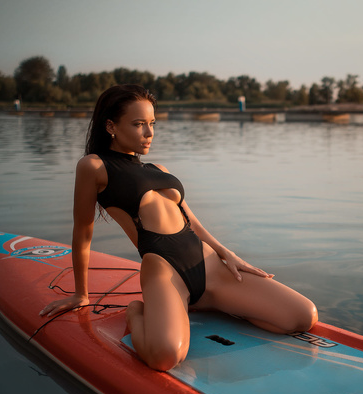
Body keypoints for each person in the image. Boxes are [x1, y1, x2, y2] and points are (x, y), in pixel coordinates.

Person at [40, 84, 318, 371]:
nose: (149, 133)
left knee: (301, 316)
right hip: (164, 269)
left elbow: (191, 221)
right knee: (165, 357)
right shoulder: (94, 167)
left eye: (151, 124)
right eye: (138, 125)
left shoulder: (159, 170)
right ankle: (139, 312)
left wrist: (226, 252)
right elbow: (82, 231)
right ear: (111, 125)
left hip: (208, 263)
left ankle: (213, 302)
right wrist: (81, 294)